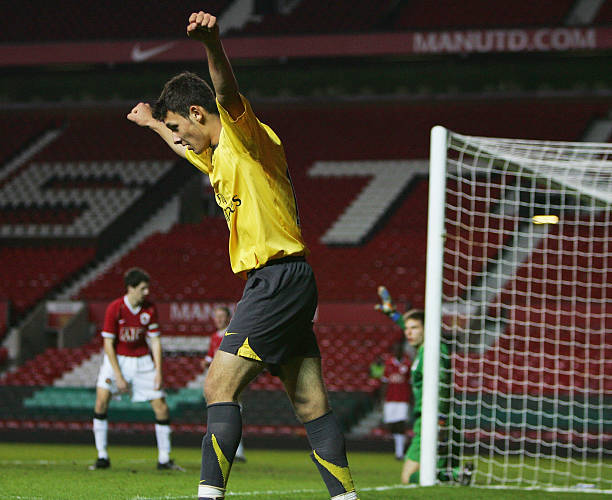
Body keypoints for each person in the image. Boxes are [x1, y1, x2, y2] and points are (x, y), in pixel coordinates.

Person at [127, 11, 358, 500]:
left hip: (275, 278)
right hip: (289, 279)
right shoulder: (215, 156)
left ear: (196, 114)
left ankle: (209, 496)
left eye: (178, 125)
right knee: (310, 402)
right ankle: (346, 497)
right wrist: (152, 124)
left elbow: (227, 96)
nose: (180, 135)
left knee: (218, 388)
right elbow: (181, 146)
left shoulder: (244, 138)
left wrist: (212, 43)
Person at [375, 286, 472, 485]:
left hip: (436, 419)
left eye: (414, 328)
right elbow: (411, 327)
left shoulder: (432, 351)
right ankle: (456, 474)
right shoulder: (424, 349)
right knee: (438, 477)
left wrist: (440, 419)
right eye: (407, 328)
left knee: (409, 478)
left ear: (427, 328)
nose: (408, 333)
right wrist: (393, 314)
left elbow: (442, 385)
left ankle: (454, 475)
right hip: (438, 418)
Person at [90, 267, 182, 471]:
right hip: (117, 360)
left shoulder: (150, 309)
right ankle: (102, 456)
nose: (146, 292)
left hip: (142, 362)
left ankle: (164, 458)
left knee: (161, 406)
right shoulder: (115, 308)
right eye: (143, 288)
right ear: (130, 288)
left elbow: (155, 341)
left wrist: (159, 371)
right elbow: (107, 345)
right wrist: (118, 376)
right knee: (101, 401)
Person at [201, 306, 246, 462]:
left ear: (228, 318)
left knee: (232, 411)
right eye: (216, 316)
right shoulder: (214, 337)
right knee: (223, 412)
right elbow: (210, 356)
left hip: (230, 377)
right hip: (218, 378)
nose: (219, 319)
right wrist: (205, 362)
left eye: (222, 316)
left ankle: (237, 451)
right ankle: (225, 448)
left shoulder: (232, 334)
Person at [379, 341, 412, 460]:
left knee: (400, 424)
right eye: (395, 350)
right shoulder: (388, 364)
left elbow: (410, 383)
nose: (397, 352)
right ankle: (399, 446)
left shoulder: (408, 364)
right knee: (391, 425)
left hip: (403, 398)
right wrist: (382, 399)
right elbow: (384, 382)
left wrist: (411, 400)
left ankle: (399, 453)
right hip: (390, 398)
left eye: (399, 349)